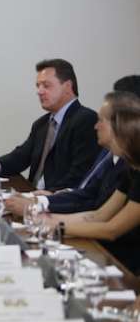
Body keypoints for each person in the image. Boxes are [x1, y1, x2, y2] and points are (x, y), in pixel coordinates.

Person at [43, 93, 140, 273]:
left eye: (100, 120)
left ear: (119, 126)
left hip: (128, 267)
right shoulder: (131, 167)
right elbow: (100, 215)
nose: (95, 126)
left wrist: (57, 226)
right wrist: (46, 220)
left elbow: (112, 230)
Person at [0, 59, 99, 190]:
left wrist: (48, 197)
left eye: (46, 86)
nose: (39, 91)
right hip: (32, 195)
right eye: (38, 86)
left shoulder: (86, 119)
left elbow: (80, 174)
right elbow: (21, 157)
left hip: (58, 202)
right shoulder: (41, 124)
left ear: (68, 87)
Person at [5, 91, 132, 216]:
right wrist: (40, 201)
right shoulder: (108, 154)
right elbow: (88, 193)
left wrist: (38, 207)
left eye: (101, 120)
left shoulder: (128, 166)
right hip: (71, 209)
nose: (96, 126)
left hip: (85, 223)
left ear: (121, 124)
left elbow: (97, 210)